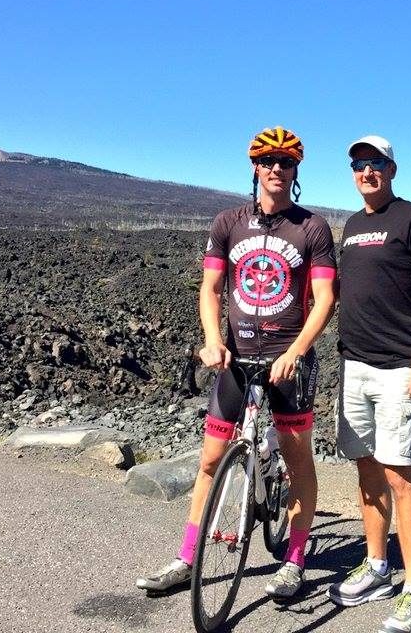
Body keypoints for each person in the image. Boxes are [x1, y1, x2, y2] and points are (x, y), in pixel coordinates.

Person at [137, 126, 336, 600]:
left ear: (296, 170)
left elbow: (326, 298)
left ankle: (293, 559)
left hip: (290, 359)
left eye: (285, 162)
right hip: (236, 356)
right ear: (254, 167)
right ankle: (188, 558)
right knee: (210, 459)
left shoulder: (312, 228)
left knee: (297, 459)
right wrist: (211, 340)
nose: (276, 169)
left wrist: (297, 351)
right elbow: (211, 288)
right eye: (267, 161)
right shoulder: (228, 222)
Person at [330, 135, 411, 633]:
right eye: (358, 165)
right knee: (367, 470)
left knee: (401, 475)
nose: (366, 172)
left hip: (401, 367)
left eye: (374, 163)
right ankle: (378, 565)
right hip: (354, 366)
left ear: (392, 168)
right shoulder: (353, 226)